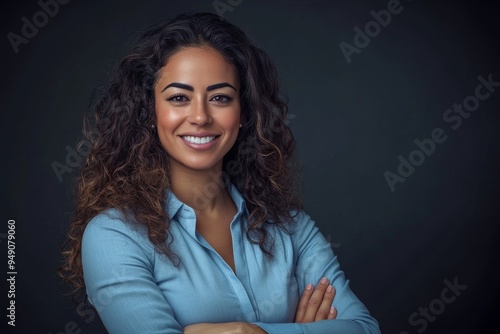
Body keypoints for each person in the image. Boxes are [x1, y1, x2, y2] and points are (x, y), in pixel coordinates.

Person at [59, 12, 380, 334]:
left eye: (220, 98)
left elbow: (365, 329)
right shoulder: (114, 236)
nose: (200, 116)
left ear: (244, 112)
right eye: (179, 98)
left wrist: (255, 332)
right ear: (149, 111)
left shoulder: (292, 228)